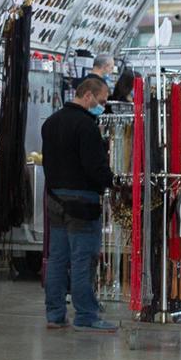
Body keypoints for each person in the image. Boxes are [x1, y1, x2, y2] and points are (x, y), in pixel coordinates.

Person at [41, 76, 116, 333]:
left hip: (55, 199)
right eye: (102, 100)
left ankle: (55, 314)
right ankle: (86, 315)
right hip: (82, 201)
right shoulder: (87, 127)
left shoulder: (50, 123)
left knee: (57, 258)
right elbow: (94, 168)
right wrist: (114, 183)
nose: (103, 106)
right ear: (88, 96)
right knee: (83, 259)